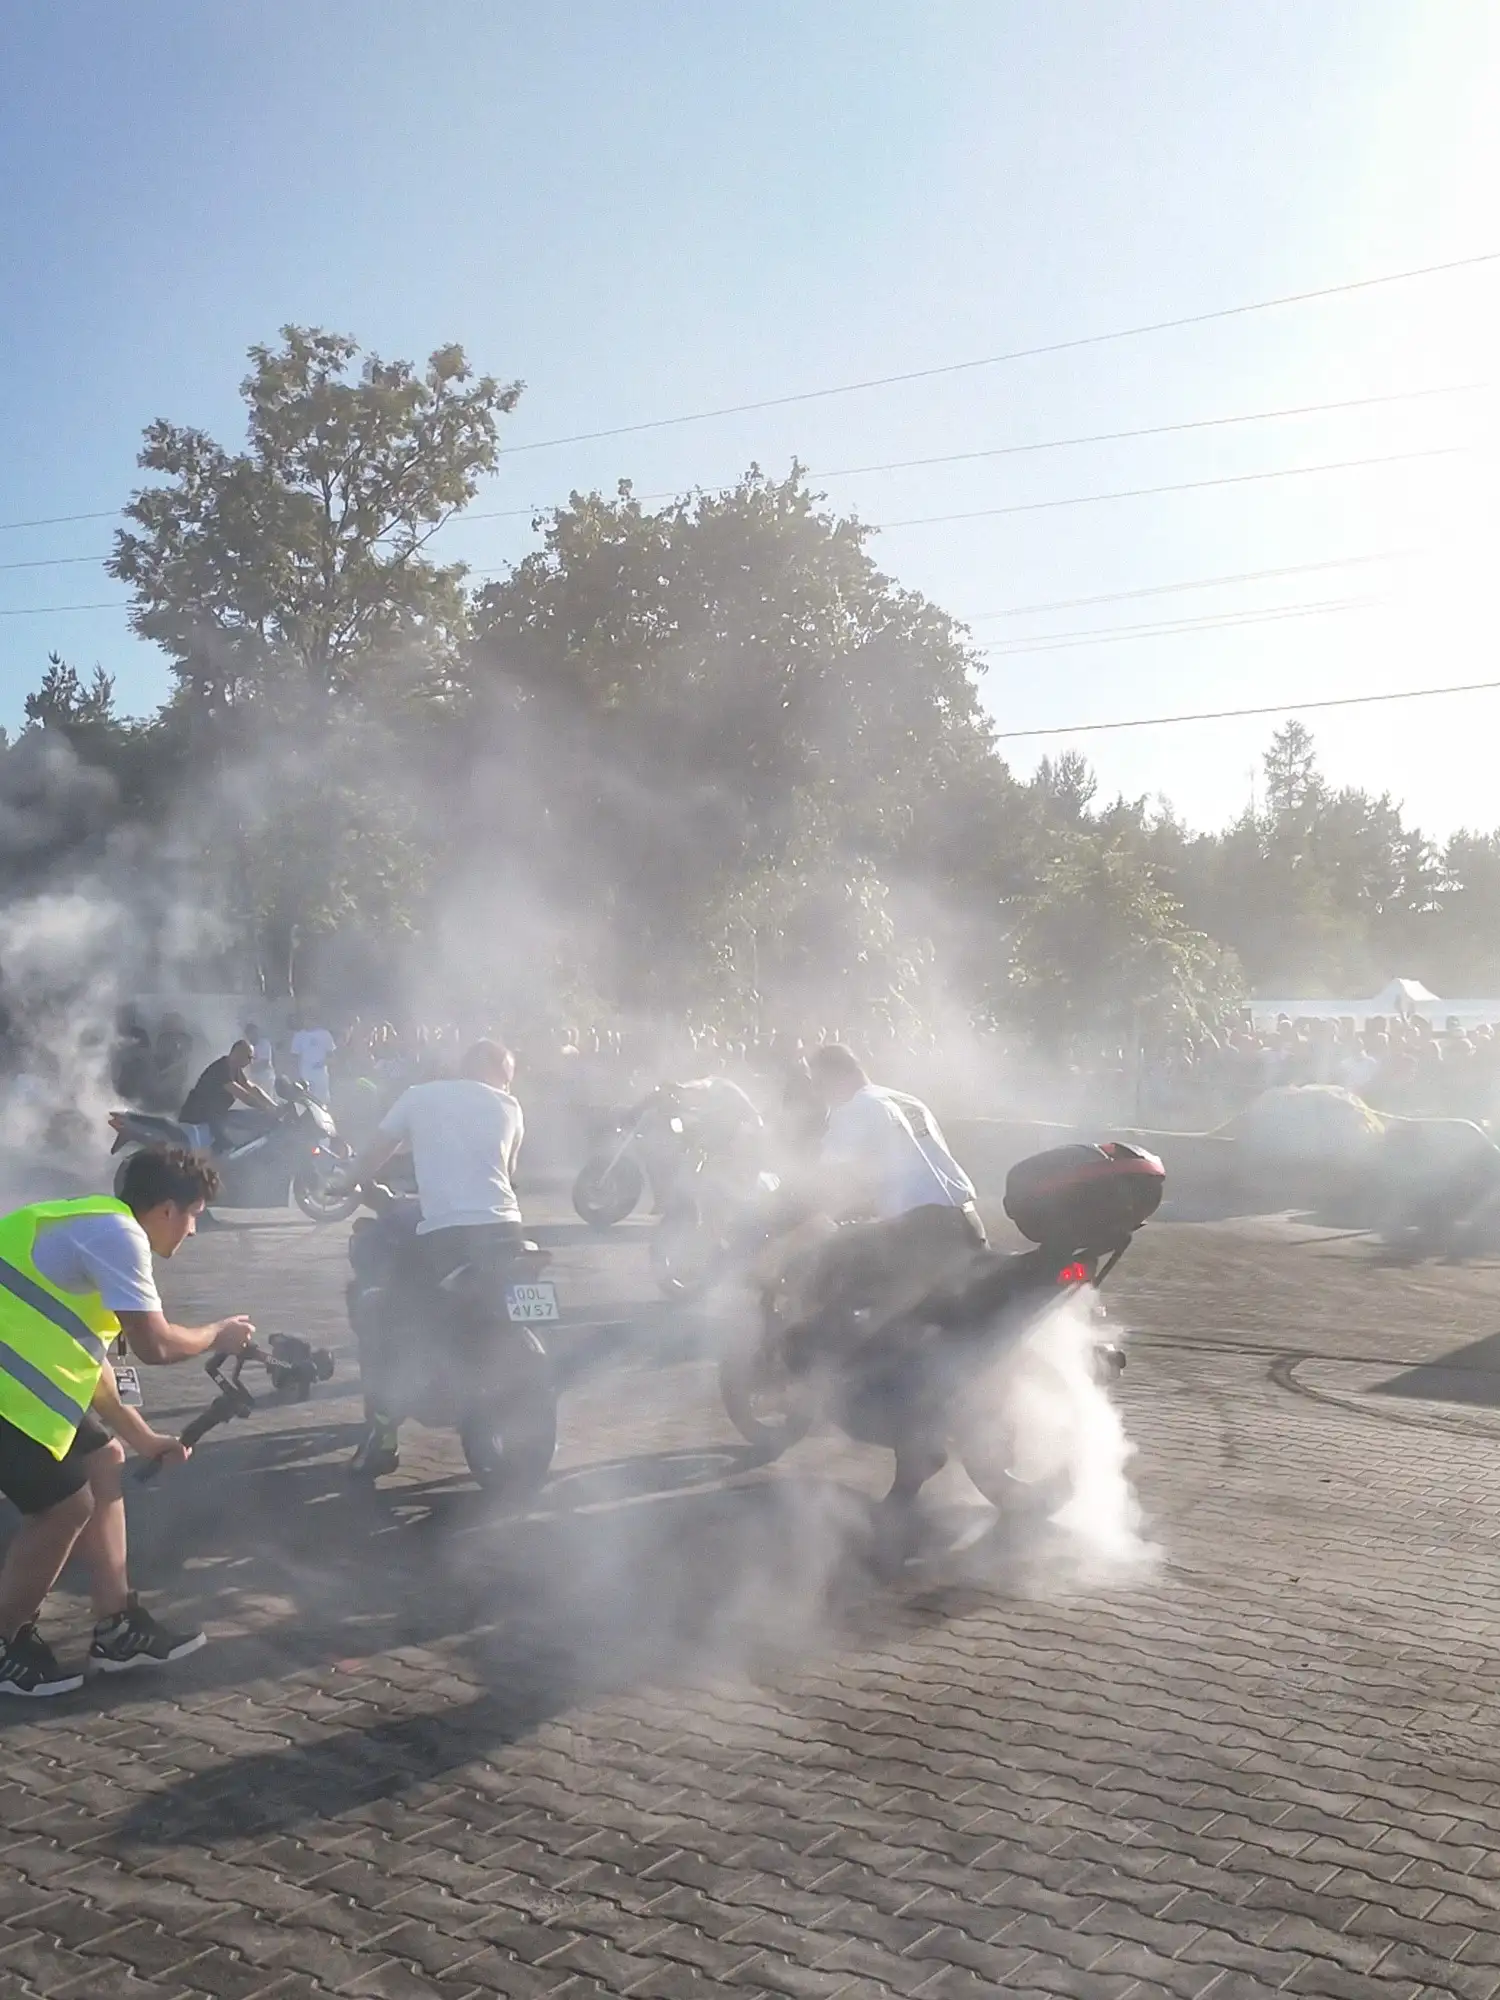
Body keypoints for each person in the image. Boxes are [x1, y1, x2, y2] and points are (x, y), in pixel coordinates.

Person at [0, 1146, 256, 1697]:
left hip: (16, 1386)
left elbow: (92, 1362)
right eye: (194, 1215)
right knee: (62, 1508)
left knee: (104, 1459)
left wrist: (144, 1438)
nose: (193, 1230)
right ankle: (3, 1644)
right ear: (166, 1209)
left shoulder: (89, 1224)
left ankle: (116, 1629)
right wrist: (218, 1334)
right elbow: (155, 1345)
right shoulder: (120, 1236)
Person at [339, 1041, 525, 1475]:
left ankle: (383, 1435)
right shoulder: (511, 1106)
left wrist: (344, 1182)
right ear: (496, 1072)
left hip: (449, 1238)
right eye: (507, 1078)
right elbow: (508, 1173)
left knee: (382, 1310)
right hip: (508, 1232)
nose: (507, 1087)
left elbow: (377, 1152)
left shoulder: (420, 1096)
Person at [178, 1039, 278, 1151]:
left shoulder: (235, 1069)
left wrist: (274, 1106)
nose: (251, 1062)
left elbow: (252, 1088)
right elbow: (244, 1096)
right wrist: (266, 1108)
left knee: (246, 1118)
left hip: (215, 1116)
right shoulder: (220, 1069)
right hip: (198, 1118)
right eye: (249, 1057)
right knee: (228, 1144)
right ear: (238, 1053)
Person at [288, 1017, 338, 1107]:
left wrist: (322, 1063)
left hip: (321, 1077)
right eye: (305, 1019)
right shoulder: (299, 1035)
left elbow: (331, 1056)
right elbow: (294, 1057)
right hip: (304, 1076)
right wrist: (295, 1075)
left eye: (310, 1019)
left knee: (322, 1102)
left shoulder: (325, 1034)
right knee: (305, 1102)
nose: (307, 1022)